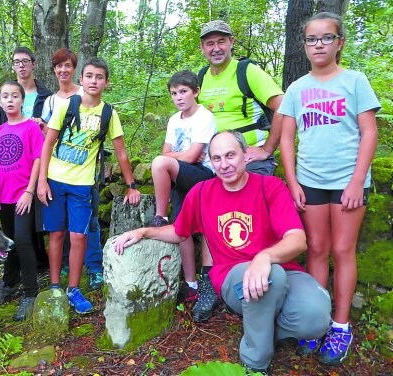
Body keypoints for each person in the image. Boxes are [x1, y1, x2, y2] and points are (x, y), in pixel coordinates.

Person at [113, 131, 332, 375]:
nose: (224, 164)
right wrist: (144, 232)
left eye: (230, 155)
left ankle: (259, 327)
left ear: (246, 155)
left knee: (316, 319)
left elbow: (297, 239)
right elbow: (179, 231)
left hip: (279, 269)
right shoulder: (201, 192)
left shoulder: (270, 187)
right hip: (232, 276)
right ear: (210, 161)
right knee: (273, 277)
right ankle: (254, 364)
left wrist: (264, 257)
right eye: (216, 158)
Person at [279, 12, 380, 366]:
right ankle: (316, 322)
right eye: (311, 39)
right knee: (317, 249)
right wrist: (293, 183)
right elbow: (287, 138)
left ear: (340, 43)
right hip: (310, 181)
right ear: (303, 45)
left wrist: (356, 180)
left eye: (326, 38)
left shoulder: (354, 81)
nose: (318, 44)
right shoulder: (297, 88)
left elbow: (369, 132)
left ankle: (340, 325)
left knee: (342, 249)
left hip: (348, 183)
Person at [195, 19, 286, 321]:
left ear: (232, 42)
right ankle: (209, 279)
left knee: (254, 206)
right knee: (195, 201)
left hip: (250, 157)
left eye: (221, 41)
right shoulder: (201, 78)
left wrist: (268, 148)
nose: (216, 47)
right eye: (210, 43)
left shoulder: (248, 72)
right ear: (202, 48)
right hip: (215, 160)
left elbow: (283, 105)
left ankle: (262, 276)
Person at [37, 57, 141, 314]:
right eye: (89, 76)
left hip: (83, 184)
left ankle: (74, 288)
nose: (94, 81)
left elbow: (121, 153)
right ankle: (54, 286)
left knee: (79, 235)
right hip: (55, 180)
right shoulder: (65, 106)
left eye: (99, 77)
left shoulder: (108, 113)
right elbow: (48, 143)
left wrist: (131, 185)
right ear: (81, 79)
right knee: (57, 233)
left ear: (106, 82)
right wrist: (41, 181)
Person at [149, 70, 216, 318]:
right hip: (181, 174)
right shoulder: (174, 120)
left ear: (196, 91)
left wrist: (177, 156)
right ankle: (191, 284)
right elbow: (174, 152)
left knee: (158, 163)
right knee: (182, 228)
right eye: (174, 93)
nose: (178, 97)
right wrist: (180, 155)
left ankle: (159, 216)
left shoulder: (204, 117)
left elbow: (189, 157)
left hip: (202, 175)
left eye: (183, 91)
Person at [41, 48, 104, 291]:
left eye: (68, 66)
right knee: (58, 228)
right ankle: (62, 272)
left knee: (89, 224)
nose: (63, 70)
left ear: (75, 70)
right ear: (54, 70)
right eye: (59, 66)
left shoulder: (88, 92)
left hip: (85, 173)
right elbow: (50, 138)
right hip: (59, 171)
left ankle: (93, 268)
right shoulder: (51, 101)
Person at [0, 80, 44, 321]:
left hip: (23, 195)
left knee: (22, 239)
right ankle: (9, 284)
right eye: (5, 96)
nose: (10, 100)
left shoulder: (31, 128)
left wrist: (29, 191)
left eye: (15, 96)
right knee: (7, 242)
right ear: (0, 102)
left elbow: (39, 160)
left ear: (22, 101)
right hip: (2, 196)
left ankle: (30, 292)